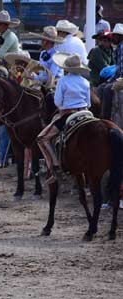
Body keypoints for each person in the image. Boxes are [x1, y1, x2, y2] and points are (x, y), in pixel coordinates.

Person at [37, 53, 91, 184]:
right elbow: (89, 103)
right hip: (86, 113)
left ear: (66, 68)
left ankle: (55, 166)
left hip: (68, 114)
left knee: (42, 138)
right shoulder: (85, 82)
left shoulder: (63, 81)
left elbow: (57, 102)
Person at [99, 23, 123, 118]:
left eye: (115, 36)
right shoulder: (119, 47)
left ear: (120, 37)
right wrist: (110, 80)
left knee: (107, 89)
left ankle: (106, 116)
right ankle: (102, 112)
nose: (113, 38)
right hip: (120, 76)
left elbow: (121, 70)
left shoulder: (121, 47)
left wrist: (112, 81)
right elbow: (118, 69)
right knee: (103, 87)